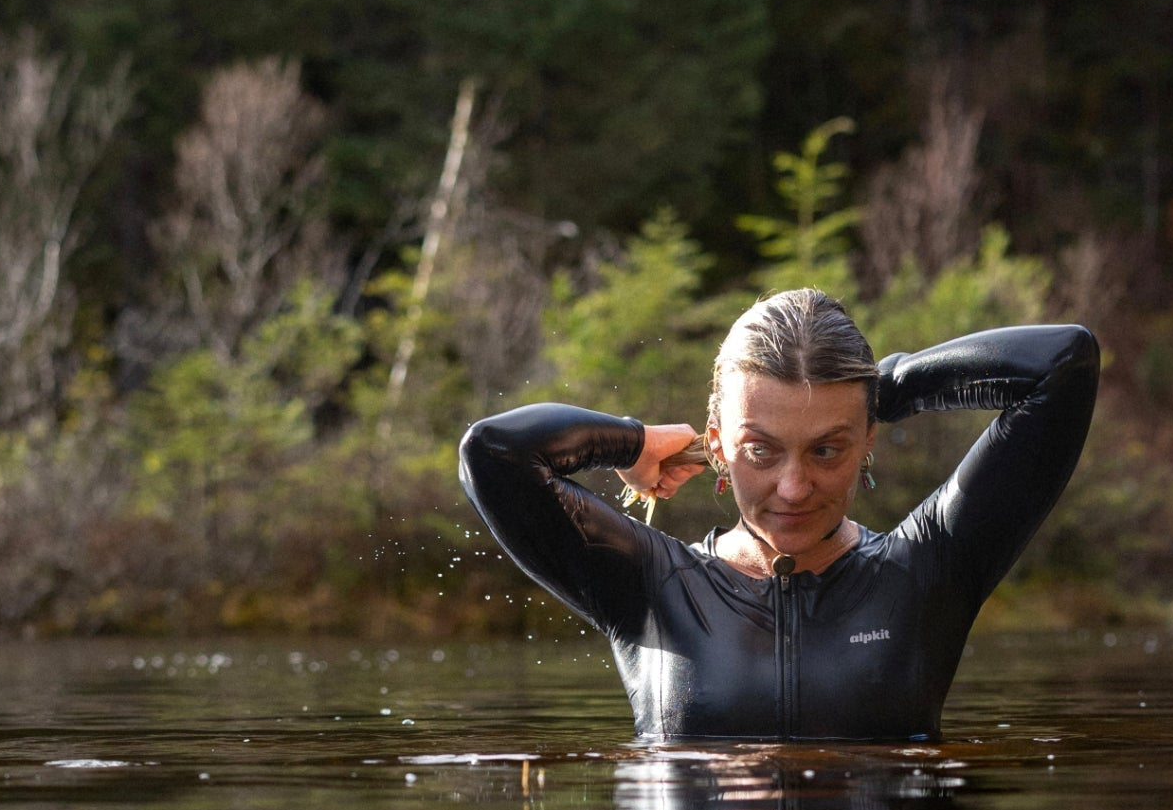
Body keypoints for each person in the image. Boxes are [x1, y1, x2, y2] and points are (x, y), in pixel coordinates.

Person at [458, 289, 1099, 741]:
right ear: (717, 445)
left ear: (867, 439)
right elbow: (493, 453)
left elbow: (1063, 365)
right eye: (760, 451)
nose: (793, 488)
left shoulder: (929, 568)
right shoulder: (651, 586)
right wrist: (631, 441)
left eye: (827, 448)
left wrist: (885, 386)